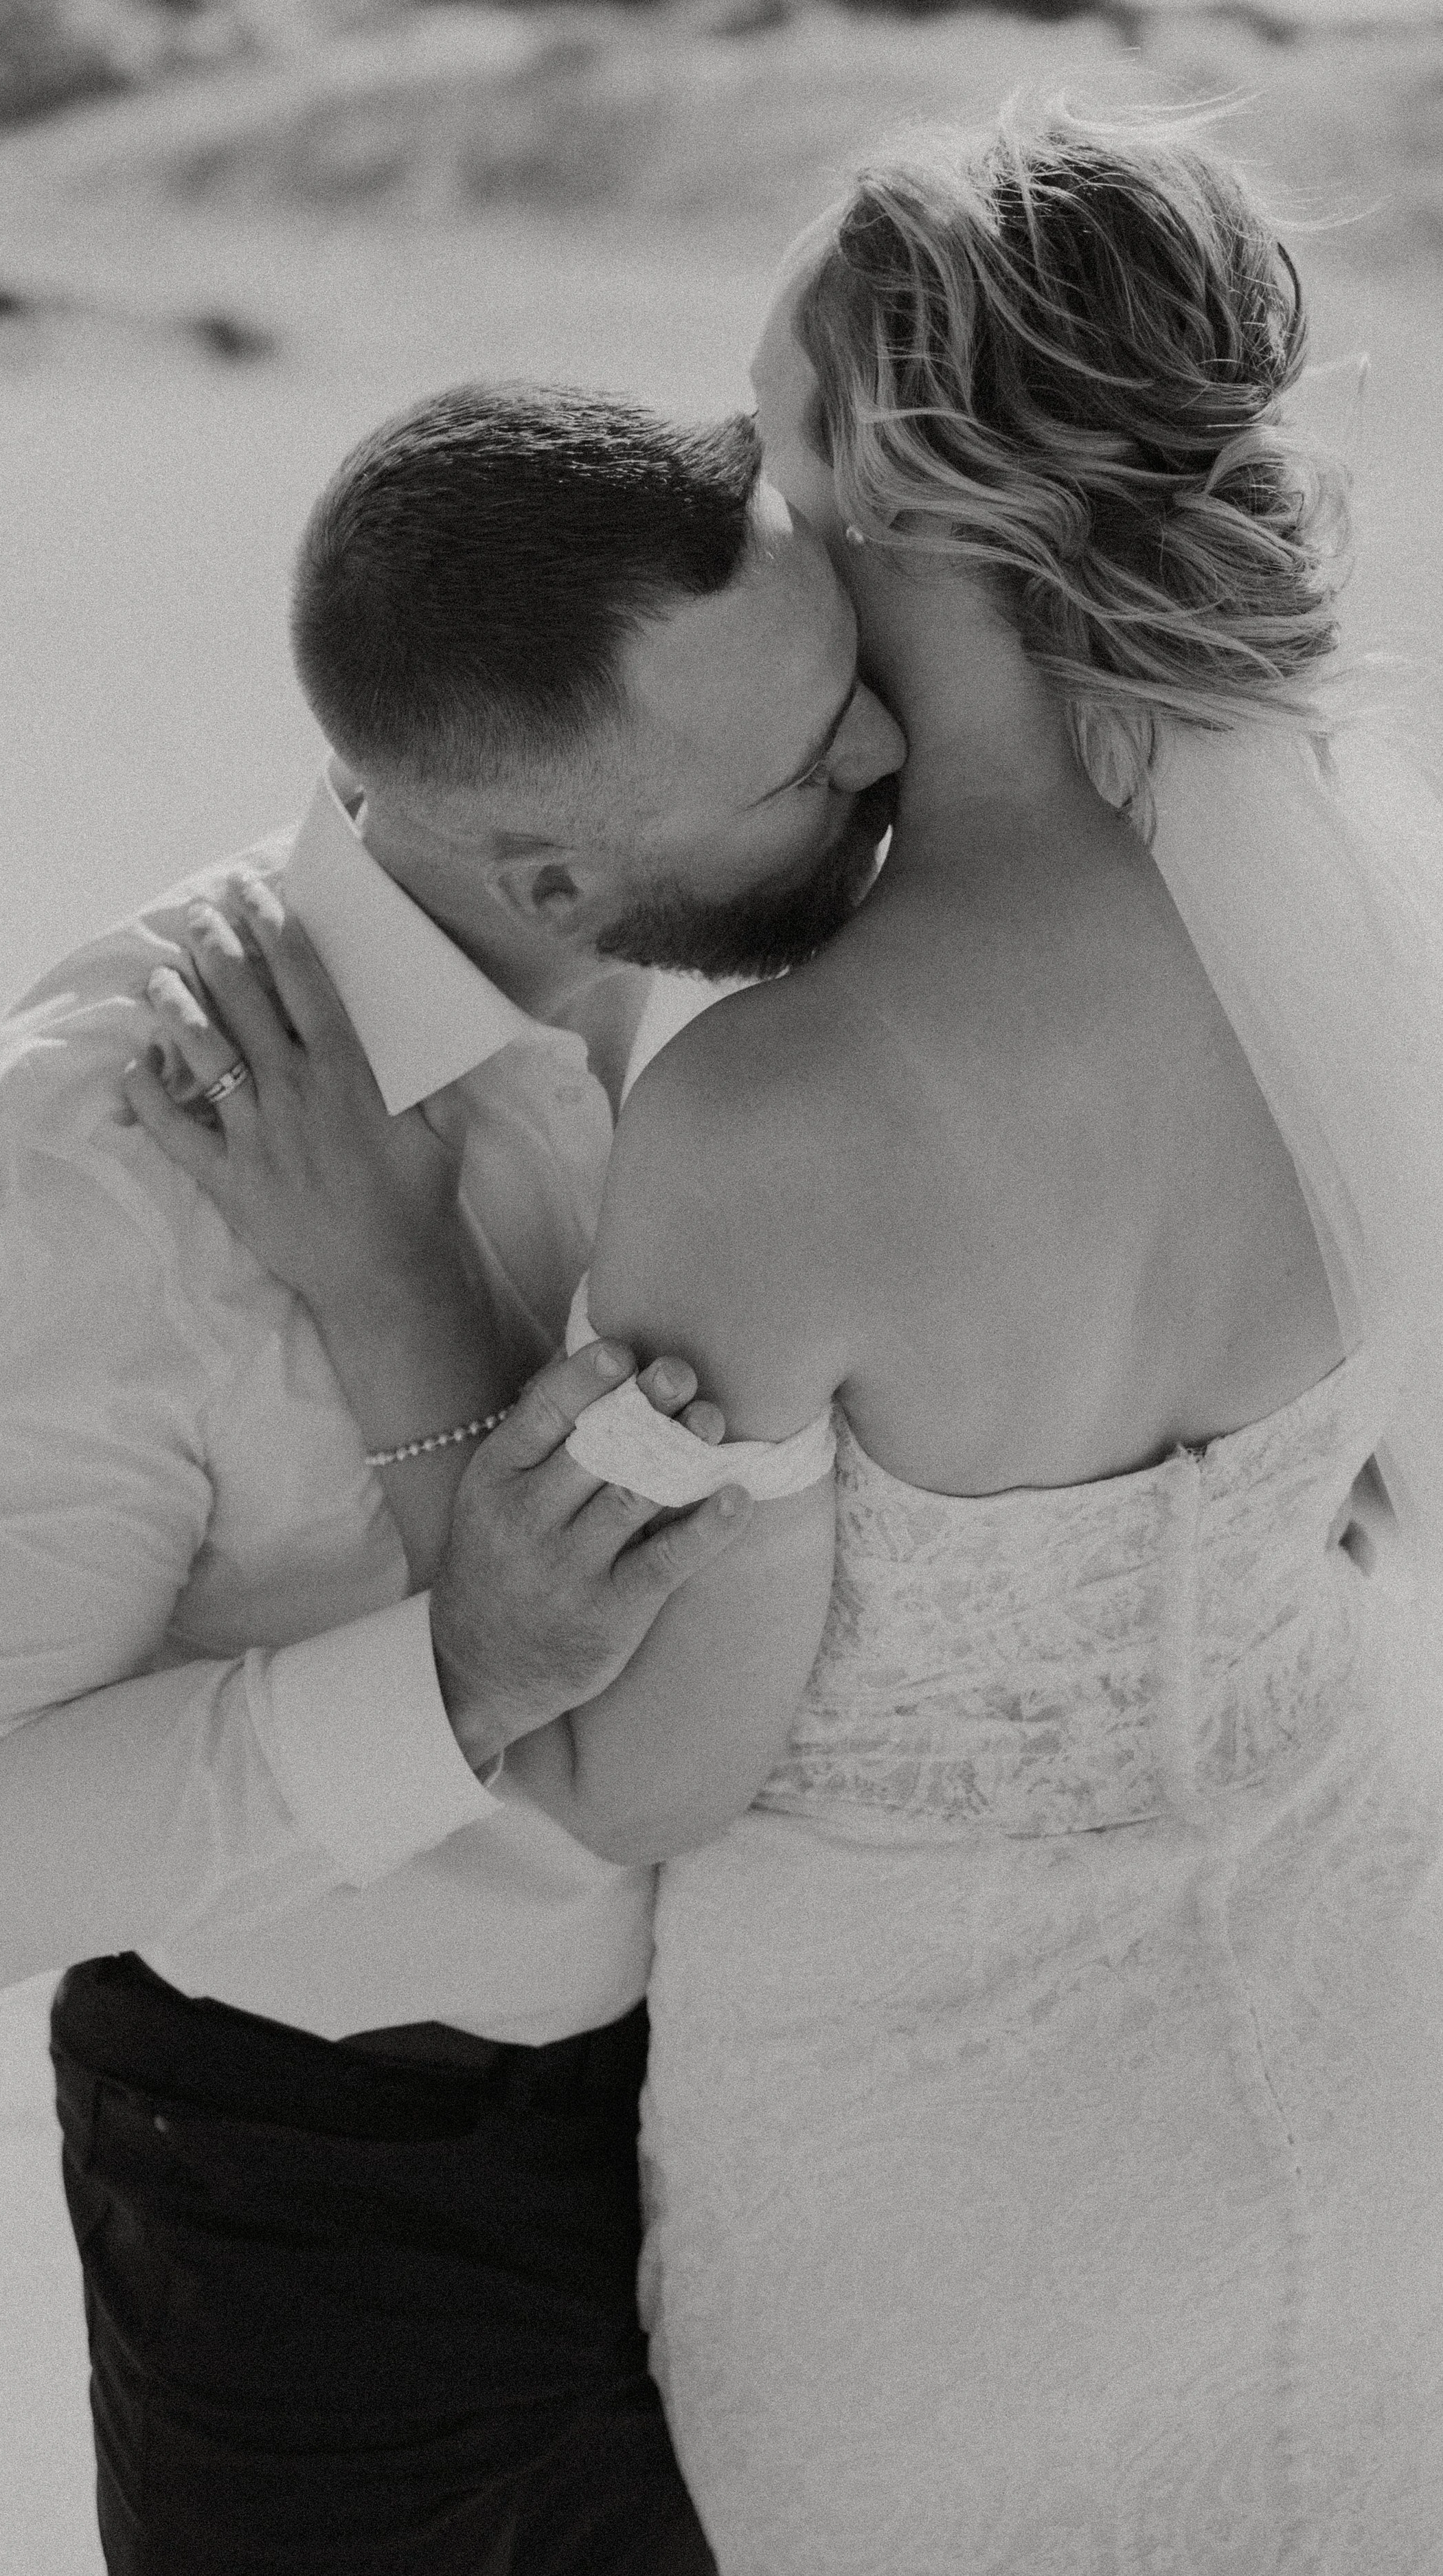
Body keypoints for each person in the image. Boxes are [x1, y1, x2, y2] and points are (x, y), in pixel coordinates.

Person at [150, 107, 1443, 2571]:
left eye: (756, 442)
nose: (724, 483)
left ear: (884, 471)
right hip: (1357, 2045)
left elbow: (640, 1764)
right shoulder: (1343, 953)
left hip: (945, 2184)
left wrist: (379, 1276)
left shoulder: (783, 1115)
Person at [0, 386, 909, 2575]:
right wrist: (450, 1679)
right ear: (547, 870)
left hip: (778, 2125)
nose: (883, 762)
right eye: (810, 763)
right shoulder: (88, 1157)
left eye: (850, 690)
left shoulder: (772, 1001)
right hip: (323, 2223)